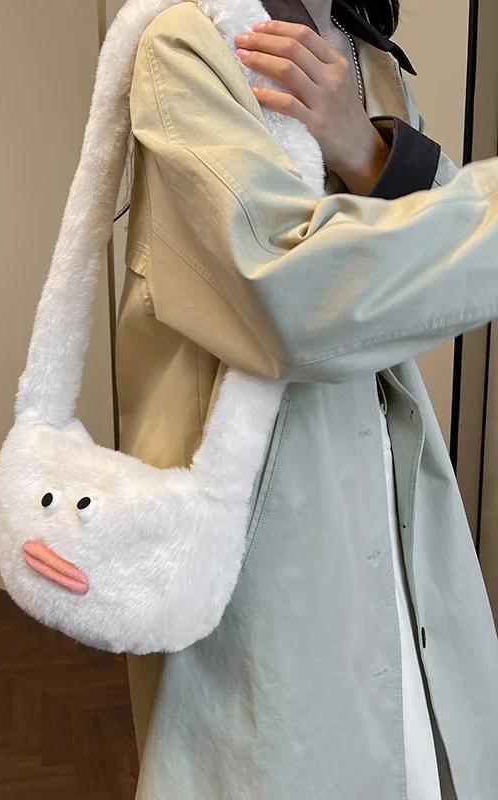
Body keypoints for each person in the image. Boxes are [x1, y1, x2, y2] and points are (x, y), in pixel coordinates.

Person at [115, 1, 498, 798]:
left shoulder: (369, 56)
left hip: (381, 454)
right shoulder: (190, 42)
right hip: (264, 495)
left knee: (406, 729)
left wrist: (366, 147)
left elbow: (427, 266)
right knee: (283, 746)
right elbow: (287, 296)